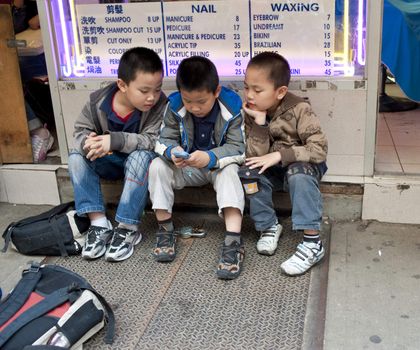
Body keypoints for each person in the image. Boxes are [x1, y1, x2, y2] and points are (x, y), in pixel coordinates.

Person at [148, 56, 245, 280]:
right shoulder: (173, 105)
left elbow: (239, 149)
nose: (194, 107)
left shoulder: (232, 107)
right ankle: (165, 230)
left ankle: (233, 241)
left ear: (216, 91)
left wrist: (210, 157)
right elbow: (161, 140)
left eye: (201, 101)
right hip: (185, 167)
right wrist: (171, 152)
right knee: (156, 166)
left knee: (230, 173)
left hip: (216, 168)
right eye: (188, 100)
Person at [68, 47, 167, 262]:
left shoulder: (160, 105)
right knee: (76, 156)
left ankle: (127, 227)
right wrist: (90, 143)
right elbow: (79, 131)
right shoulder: (97, 101)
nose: (152, 97)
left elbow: (153, 141)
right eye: (144, 90)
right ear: (122, 85)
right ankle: (99, 223)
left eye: (157, 89)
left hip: (139, 169)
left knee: (141, 156)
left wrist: (114, 140)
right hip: (108, 161)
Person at [240, 52, 328, 276]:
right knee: (248, 171)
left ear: (280, 92)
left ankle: (312, 243)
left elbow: (318, 149)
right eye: (246, 87)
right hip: (273, 170)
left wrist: (280, 155)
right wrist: (259, 123)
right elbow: (253, 155)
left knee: (298, 172)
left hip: (302, 167)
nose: (250, 95)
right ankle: (269, 225)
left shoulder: (300, 109)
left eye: (257, 90)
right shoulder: (252, 111)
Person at [11, 0, 54, 163]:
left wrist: (18, 8)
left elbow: (34, 22)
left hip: (43, 51)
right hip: (23, 46)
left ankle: (38, 131)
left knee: (8, 70)